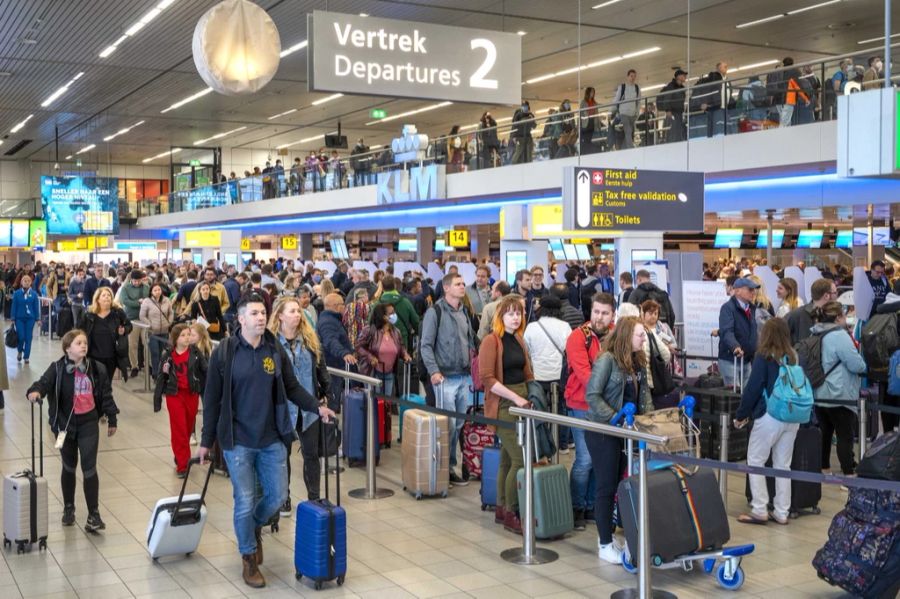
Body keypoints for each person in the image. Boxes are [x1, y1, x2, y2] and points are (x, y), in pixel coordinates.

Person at [197, 294, 336, 589]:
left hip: (271, 437)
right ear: (241, 319)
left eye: (264, 313)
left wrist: (316, 406)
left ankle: (254, 527)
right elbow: (211, 399)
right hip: (238, 441)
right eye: (255, 314)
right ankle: (248, 557)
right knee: (244, 500)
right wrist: (206, 441)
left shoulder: (274, 349)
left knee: (276, 497)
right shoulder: (226, 352)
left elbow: (292, 386)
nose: (261, 318)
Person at [27, 329, 118, 532]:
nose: (83, 346)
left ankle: (93, 514)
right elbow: (43, 383)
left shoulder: (96, 368)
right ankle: (69, 508)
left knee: (89, 468)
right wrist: (35, 391)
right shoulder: (58, 368)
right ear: (68, 348)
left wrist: (112, 418)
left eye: (84, 342)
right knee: (68, 467)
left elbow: (105, 394)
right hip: (64, 426)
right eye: (78, 343)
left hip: (88, 424)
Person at [584, 316, 653, 563]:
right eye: (640, 334)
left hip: (625, 433)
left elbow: (644, 397)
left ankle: (609, 536)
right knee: (606, 486)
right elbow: (592, 395)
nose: (644, 338)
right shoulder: (607, 360)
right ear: (626, 335)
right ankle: (604, 543)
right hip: (603, 431)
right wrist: (615, 417)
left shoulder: (638, 361)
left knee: (617, 484)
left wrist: (647, 424)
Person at [269, 297, 334, 517]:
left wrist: (326, 393)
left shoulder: (309, 339)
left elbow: (321, 367)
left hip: (309, 406)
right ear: (280, 315)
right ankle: (284, 498)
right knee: (282, 455)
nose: (297, 314)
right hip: (283, 407)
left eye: (298, 310)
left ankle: (314, 498)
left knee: (311, 454)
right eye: (292, 311)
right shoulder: (271, 343)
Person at [735, 318, 803, 526]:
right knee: (783, 464)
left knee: (756, 460)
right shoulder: (793, 356)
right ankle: (782, 511)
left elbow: (753, 388)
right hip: (792, 417)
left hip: (769, 416)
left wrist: (741, 414)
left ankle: (759, 508)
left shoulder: (763, 356)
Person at [479, 295, 533, 533]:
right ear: (500, 316)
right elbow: (488, 379)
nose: (515, 317)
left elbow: (527, 372)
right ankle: (511, 511)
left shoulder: (518, 339)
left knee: (507, 459)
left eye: (518, 313)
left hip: (520, 401)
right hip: (503, 404)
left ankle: (502, 508)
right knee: (520, 459)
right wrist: (516, 398)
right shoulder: (492, 341)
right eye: (510, 313)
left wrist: (530, 395)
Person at [419, 273, 477, 485]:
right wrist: (434, 371)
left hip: (463, 377)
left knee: (459, 424)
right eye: (458, 284)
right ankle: (446, 468)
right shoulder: (434, 312)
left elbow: (470, 341)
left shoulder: (464, 312)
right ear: (446, 288)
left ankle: (452, 464)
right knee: (448, 425)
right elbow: (425, 345)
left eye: (463, 283)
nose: (463, 287)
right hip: (444, 378)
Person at [565, 292, 613, 529]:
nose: (599, 317)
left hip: (606, 407)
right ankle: (576, 507)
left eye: (604, 313)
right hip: (581, 404)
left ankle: (593, 505)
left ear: (612, 314)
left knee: (599, 459)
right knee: (584, 459)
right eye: (596, 312)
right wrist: (605, 391)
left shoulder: (615, 335)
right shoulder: (578, 337)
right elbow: (583, 373)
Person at [811, 301, 867, 476]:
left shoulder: (814, 332)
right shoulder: (839, 336)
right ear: (837, 318)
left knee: (825, 432)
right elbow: (856, 364)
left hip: (819, 391)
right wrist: (864, 365)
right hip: (839, 393)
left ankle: (824, 468)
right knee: (845, 435)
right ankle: (848, 473)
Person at [155, 323, 207, 478]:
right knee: (179, 429)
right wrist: (157, 398)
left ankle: (180, 455)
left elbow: (206, 370)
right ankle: (183, 464)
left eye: (189, 334)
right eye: (183, 335)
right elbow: (161, 376)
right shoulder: (168, 355)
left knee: (188, 427)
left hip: (192, 395)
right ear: (176, 338)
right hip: (174, 395)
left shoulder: (196, 353)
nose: (187, 338)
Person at [524, 295, 572, 450]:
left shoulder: (532, 326)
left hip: (538, 376)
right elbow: (569, 350)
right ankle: (562, 443)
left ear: (541, 308)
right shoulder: (565, 326)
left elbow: (526, 351)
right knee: (561, 410)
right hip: (559, 377)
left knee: (540, 408)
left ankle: (542, 444)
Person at [356, 302, 411, 396]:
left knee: (386, 403)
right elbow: (359, 346)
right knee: (374, 403)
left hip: (389, 373)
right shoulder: (369, 330)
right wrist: (370, 357)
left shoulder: (396, 332)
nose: (394, 315)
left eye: (394, 312)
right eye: (391, 313)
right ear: (383, 316)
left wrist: (405, 354)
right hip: (372, 372)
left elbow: (401, 346)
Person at [79, 287, 132, 382]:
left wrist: (124, 330)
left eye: (109, 296)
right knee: (94, 383)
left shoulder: (117, 313)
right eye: (104, 295)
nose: (107, 297)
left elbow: (129, 325)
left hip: (111, 356)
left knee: (106, 384)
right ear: (98, 299)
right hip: (93, 356)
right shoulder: (89, 314)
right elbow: (79, 331)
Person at [717, 277, 759, 388]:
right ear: (737, 290)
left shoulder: (752, 308)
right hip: (731, 359)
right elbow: (726, 331)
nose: (753, 292)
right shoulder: (727, 308)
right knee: (733, 397)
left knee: (745, 395)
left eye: (754, 289)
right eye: (750, 289)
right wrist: (735, 346)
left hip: (746, 359)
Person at [317, 292, 357, 404]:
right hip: (333, 367)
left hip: (336, 366)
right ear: (335, 306)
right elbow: (331, 341)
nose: (345, 307)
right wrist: (344, 353)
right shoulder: (328, 322)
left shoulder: (332, 320)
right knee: (332, 403)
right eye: (343, 304)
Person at [641, 299, 676, 408]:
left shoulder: (663, 327)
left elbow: (674, 344)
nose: (653, 316)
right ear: (643, 313)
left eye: (656, 313)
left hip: (661, 368)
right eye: (650, 313)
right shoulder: (639, 329)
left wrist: (667, 347)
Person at [785, 278, 837, 344]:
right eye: (835, 293)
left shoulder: (832, 316)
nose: (836, 296)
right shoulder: (795, 316)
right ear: (826, 296)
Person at [120, 270, 149, 378]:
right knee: (133, 345)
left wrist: (145, 302)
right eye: (135, 281)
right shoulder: (125, 288)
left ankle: (148, 366)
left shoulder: (146, 287)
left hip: (145, 319)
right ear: (131, 279)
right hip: (132, 319)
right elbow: (124, 301)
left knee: (147, 343)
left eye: (139, 280)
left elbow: (150, 299)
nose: (137, 283)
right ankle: (134, 366)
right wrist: (138, 302)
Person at [140, 282, 174, 376]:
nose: (158, 292)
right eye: (155, 290)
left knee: (164, 354)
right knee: (155, 354)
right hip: (153, 333)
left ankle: (164, 374)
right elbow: (142, 316)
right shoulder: (147, 301)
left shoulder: (166, 300)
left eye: (159, 290)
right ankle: (156, 374)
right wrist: (150, 324)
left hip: (164, 331)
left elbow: (171, 312)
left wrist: (169, 322)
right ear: (151, 292)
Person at [11, 272, 40, 363]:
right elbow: (14, 306)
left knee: (28, 337)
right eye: (25, 280)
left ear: (31, 282)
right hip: (19, 318)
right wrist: (13, 318)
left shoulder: (34, 294)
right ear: (21, 282)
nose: (26, 282)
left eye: (28, 281)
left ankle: (26, 356)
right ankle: (20, 351)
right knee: (21, 336)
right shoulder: (17, 293)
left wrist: (38, 318)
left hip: (30, 319)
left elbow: (36, 307)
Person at [612, 69, 640, 149]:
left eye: (634, 76)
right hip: (623, 113)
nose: (633, 78)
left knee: (630, 132)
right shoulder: (622, 87)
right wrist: (612, 110)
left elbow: (638, 101)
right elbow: (616, 99)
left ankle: (625, 148)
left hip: (632, 114)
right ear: (627, 77)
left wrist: (637, 113)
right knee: (628, 131)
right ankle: (630, 148)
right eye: (631, 76)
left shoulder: (637, 88)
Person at [659, 69, 687, 143]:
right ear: (678, 76)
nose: (685, 77)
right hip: (672, 112)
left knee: (678, 130)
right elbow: (667, 97)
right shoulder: (671, 86)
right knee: (673, 130)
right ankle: (673, 145)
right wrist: (668, 110)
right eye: (683, 75)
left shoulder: (681, 88)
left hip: (679, 112)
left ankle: (678, 143)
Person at [580, 86, 600, 154]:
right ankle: (585, 153)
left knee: (589, 139)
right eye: (591, 92)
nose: (593, 93)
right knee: (585, 139)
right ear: (588, 93)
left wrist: (598, 125)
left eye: (593, 92)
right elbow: (580, 114)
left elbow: (597, 114)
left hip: (592, 122)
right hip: (585, 123)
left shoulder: (594, 102)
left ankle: (587, 152)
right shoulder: (583, 102)